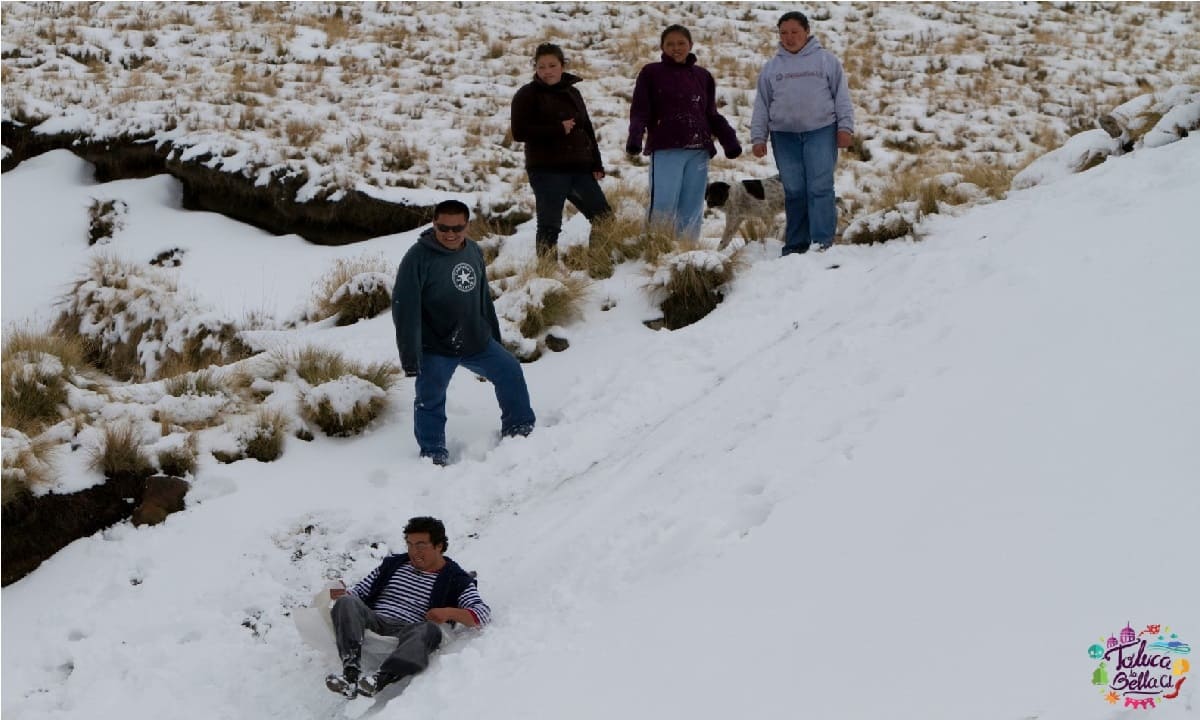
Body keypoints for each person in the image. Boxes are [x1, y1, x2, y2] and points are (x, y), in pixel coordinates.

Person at [392, 199, 535, 466]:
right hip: (436, 346)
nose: (450, 234)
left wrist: (494, 338)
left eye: (457, 228)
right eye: (443, 227)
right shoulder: (417, 258)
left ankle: (520, 428)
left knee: (510, 371)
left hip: (475, 339)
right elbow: (404, 308)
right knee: (430, 398)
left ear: (467, 226)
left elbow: (483, 298)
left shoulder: (473, 251)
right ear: (434, 223)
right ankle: (433, 453)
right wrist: (410, 357)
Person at [324, 516, 490, 698]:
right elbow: (360, 591)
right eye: (409, 544)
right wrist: (342, 593)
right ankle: (350, 675)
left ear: (439, 546)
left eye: (421, 545)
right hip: (376, 619)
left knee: (429, 630)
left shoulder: (456, 579)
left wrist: (448, 612)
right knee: (346, 602)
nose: (413, 551)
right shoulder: (394, 564)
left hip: (409, 629)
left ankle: (380, 680)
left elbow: (481, 614)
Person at [750, 11, 855, 256]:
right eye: (783, 33)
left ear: (806, 32)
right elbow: (762, 104)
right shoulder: (772, 68)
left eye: (794, 31)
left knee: (820, 187)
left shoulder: (826, 61)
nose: (789, 37)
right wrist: (758, 137)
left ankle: (822, 243)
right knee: (794, 191)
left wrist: (845, 128)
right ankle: (796, 244)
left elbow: (842, 96)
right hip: (784, 136)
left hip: (821, 131)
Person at [626, 24, 742, 242]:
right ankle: (655, 249)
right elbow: (640, 110)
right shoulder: (651, 73)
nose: (676, 48)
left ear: (690, 45)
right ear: (662, 47)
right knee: (663, 202)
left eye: (681, 43)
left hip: (698, 150)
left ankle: (686, 253)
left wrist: (729, 140)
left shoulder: (702, 76)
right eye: (670, 44)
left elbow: (711, 113)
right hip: (666, 148)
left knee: (692, 204)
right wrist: (635, 137)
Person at [510, 42, 612, 258]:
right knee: (549, 225)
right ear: (535, 68)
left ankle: (599, 262)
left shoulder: (573, 92)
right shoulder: (527, 94)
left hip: (579, 168)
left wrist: (596, 163)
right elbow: (519, 132)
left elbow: (587, 129)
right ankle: (547, 275)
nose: (547, 71)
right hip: (547, 170)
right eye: (541, 67)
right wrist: (557, 129)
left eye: (552, 65)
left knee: (604, 217)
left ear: (562, 66)